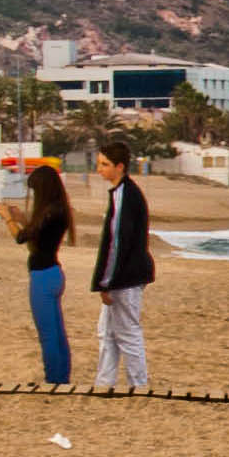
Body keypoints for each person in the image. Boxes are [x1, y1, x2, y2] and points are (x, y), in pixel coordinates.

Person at [0, 163, 77, 385]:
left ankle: (54, 379)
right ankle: (61, 377)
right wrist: (22, 218)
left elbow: (22, 238)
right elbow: (38, 235)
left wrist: (8, 218)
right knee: (57, 332)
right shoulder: (58, 210)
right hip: (53, 273)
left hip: (43, 276)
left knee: (48, 335)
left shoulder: (50, 211)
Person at [91, 139, 155, 389]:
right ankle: (104, 381)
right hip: (125, 275)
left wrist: (105, 282)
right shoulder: (121, 193)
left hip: (126, 277)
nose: (100, 170)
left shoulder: (125, 195)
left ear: (119, 166)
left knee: (127, 332)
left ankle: (138, 384)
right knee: (107, 332)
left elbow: (117, 243)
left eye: (105, 165)